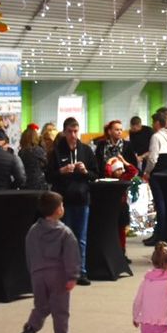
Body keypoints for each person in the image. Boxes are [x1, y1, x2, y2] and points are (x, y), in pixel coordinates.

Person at [15, 191, 80, 333]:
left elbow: (29, 253)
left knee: (41, 307)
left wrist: (33, 272)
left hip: (38, 274)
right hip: (58, 275)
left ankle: (30, 330)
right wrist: (72, 276)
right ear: (58, 210)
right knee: (60, 311)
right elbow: (71, 256)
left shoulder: (33, 231)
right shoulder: (65, 232)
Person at [49, 118, 97, 282]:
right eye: (70, 132)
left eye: (76, 131)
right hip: (63, 201)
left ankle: (81, 271)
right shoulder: (56, 151)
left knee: (81, 238)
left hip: (82, 199)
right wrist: (61, 171)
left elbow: (95, 174)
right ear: (64, 132)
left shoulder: (86, 150)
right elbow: (49, 176)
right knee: (63, 237)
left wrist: (85, 171)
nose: (73, 135)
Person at [143, 109, 167, 246]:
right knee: (166, 204)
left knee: (159, 205)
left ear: (158, 123)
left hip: (157, 173)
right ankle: (164, 234)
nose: (152, 125)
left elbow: (153, 158)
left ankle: (158, 236)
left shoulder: (156, 136)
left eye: (153, 122)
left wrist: (147, 172)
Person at [19, 124, 51, 192]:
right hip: (38, 184)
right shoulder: (38, 150)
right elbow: (47, 165)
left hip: (25, 184)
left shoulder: (21, 152)